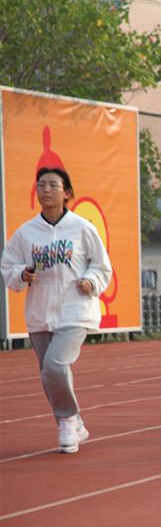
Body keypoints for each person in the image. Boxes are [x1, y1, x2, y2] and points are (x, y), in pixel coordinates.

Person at [1, 167, 112, 453]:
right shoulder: (26, 233)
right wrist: (21, 273)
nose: (46, 190)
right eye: (40, 185)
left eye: (52, 185)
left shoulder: (82, 228)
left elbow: (102, 265)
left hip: (75, 309)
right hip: (40, 311)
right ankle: (73, 424)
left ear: (67, 193)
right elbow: (8, 266)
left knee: (55, 365)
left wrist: (91, 281)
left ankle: (67, 418)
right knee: (49, 372)